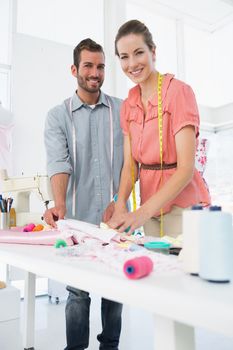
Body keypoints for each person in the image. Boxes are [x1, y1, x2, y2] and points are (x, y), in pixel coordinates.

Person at [44, 38, 123, 350]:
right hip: (77, 219)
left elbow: (131, 160)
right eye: (88, 65)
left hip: (116, 220)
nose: (95, 72)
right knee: (78, 292)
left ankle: (110, 346)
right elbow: (58, 161)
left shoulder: (121, 110)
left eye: (101, 66)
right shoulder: (57, 116)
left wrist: (123, 202)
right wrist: (59, 203)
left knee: (115, 291)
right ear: (74, 69)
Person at [106, 19, 211, 237]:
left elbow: (186, 169)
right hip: (149, 212)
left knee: (183, 268)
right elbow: (130, 166)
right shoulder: (128, 105)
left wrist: (140, 214)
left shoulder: (178, 93)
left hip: (184, 207)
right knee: (156, 269)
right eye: (124, 57)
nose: (132, 64)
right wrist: (120, 205)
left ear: (153, 52)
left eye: (138, 53)